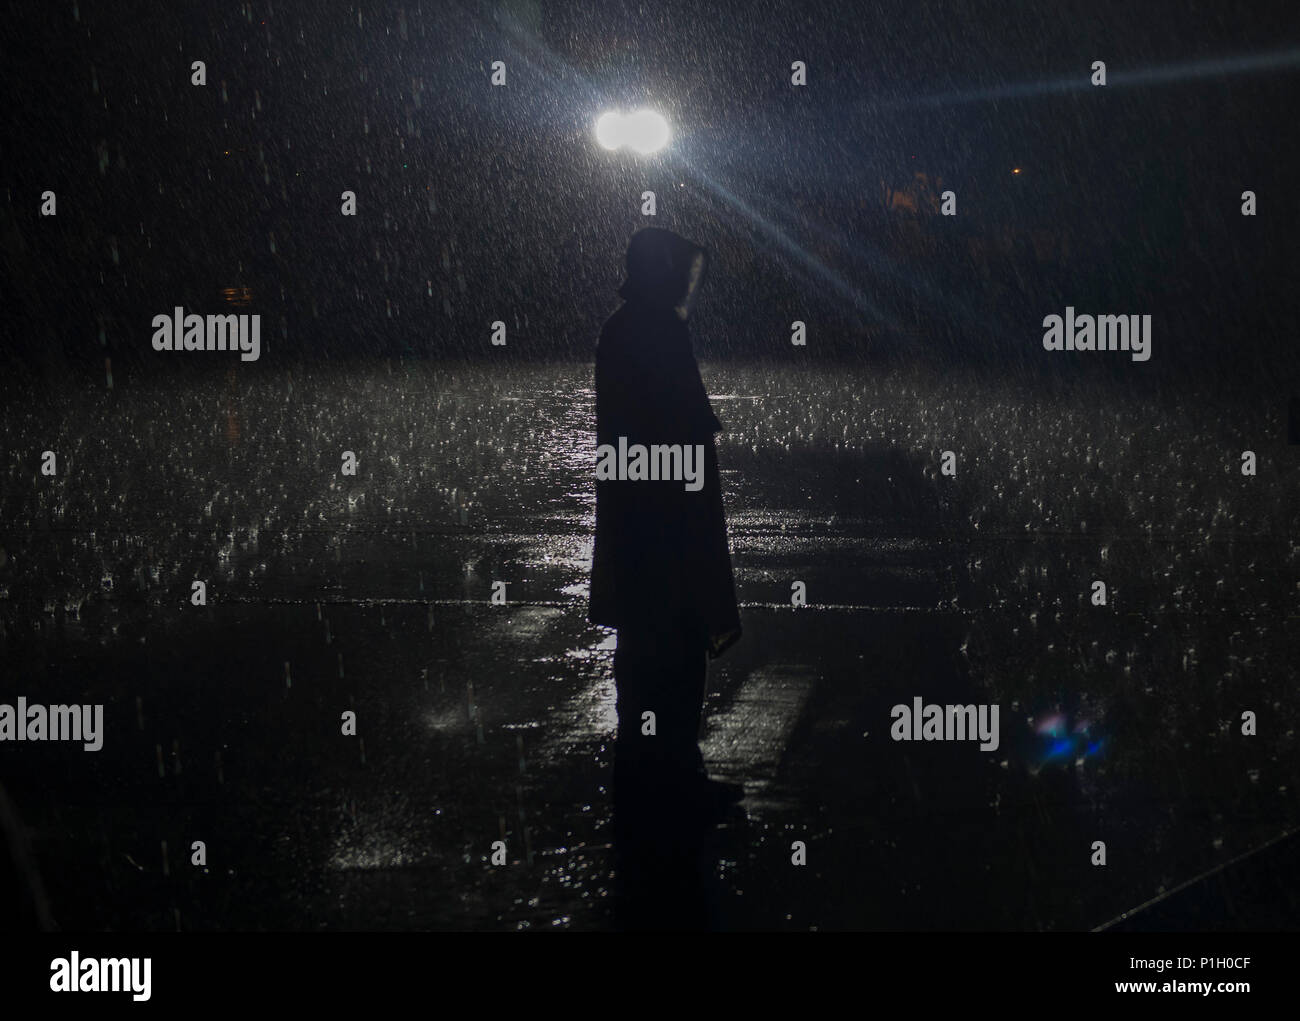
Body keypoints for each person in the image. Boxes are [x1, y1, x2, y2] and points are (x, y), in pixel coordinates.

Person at [589, 227, 743, 819]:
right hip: (667, 514)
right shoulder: (657, 331)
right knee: (675, 645)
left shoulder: (622, 328)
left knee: (646, 646)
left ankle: (646, 776)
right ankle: (673, 780)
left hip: (637, 511)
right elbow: (685, 423)